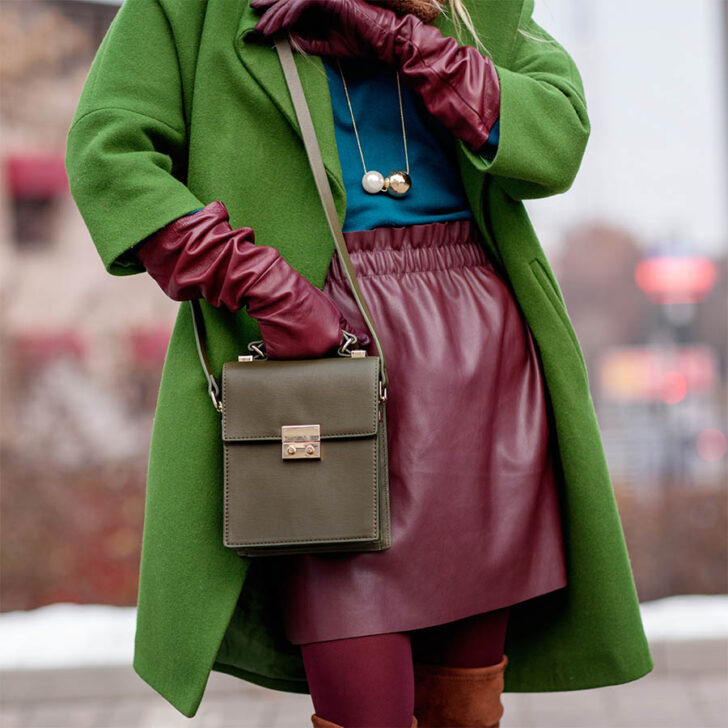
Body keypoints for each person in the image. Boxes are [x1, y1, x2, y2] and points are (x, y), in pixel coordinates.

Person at [65, 0, 654, 725]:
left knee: (465, 710)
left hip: (480, 354)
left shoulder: (471, 6)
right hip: (317, 366)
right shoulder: (192, 8)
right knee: (358, 687)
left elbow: (556, 138)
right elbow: (109, 154)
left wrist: (398, 36)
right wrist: (260, 283)